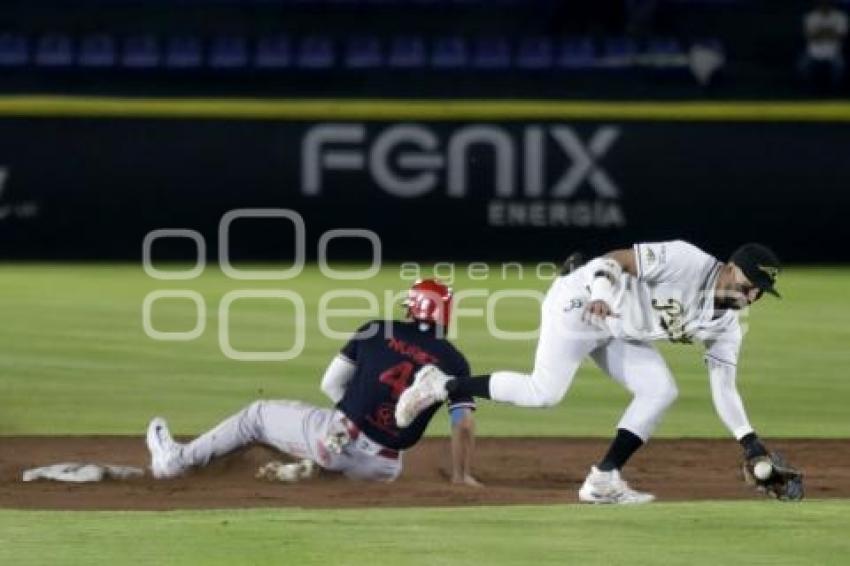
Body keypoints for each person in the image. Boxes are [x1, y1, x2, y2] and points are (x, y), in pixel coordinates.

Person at [396, 241, 785, 503]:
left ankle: (603, 479)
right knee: (543, 392)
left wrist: (748, 441)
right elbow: (611, 261)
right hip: (581, 302)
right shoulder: (687, 260)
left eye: (760, 292)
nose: (751, 296)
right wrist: (599, 294)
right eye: (749, 284)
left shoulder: (726, 326)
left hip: (618, 328)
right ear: (731, 268)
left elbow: (724, 386)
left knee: (660, 390)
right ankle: (439, 383)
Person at [146, 278, 479, 486]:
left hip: (336, 439)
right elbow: (463, 424)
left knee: (257, 416)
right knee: (368, 449)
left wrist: (351, 422)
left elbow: (330, 384)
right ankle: (311, 469)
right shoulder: (455, 362)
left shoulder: (377, 328)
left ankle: (176, 462)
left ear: (412, 308)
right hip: (382, 468)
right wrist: (460, 476)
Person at [799, 0, 847, 87]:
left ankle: (835, 92)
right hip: (812, 53)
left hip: (834, 52)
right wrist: (830, 31)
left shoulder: (840, 16)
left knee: (840, 67)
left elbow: (841, 36)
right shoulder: (811, 16)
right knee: (803, 66)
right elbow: (810, 36)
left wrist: (820, 32)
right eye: (822, 2)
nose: (824, 4)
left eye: (827, 2)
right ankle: (808, 91)